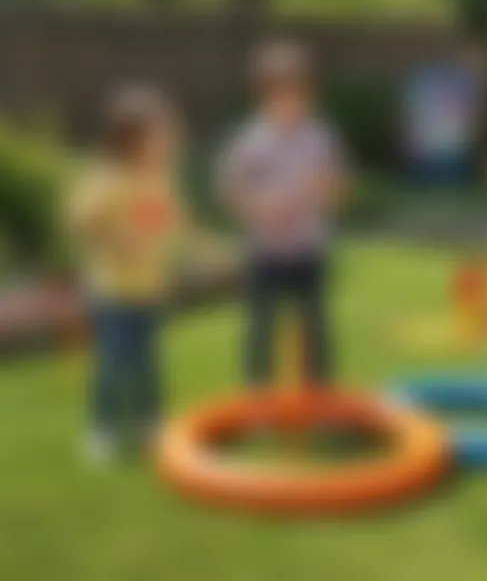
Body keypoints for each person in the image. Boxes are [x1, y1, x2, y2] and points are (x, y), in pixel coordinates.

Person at [216, 40, 348, 388]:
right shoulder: (251, 140)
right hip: (266, 252)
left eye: (300, 95)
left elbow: (338, 186)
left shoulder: (320, 137)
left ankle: (319, 392)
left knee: (315, 323)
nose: (293, 104)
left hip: (309, 249)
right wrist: (260, 208)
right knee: (261, 325)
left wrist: (324, 190)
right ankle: (257, 394)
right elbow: (230, 189)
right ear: (265, 96)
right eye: (283, 95)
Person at [68, 85, 187, 462]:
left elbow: (164, 222)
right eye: (161, 135)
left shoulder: (157, 178)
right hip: (114, 293)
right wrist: (115, 239)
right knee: (114, 364)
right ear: (130, 141)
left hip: (147, 290)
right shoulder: (108, 179)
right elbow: (81, 219)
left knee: (148, 363)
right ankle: (101, 430)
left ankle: (152, 424)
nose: (169, 142)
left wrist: (188, 247)